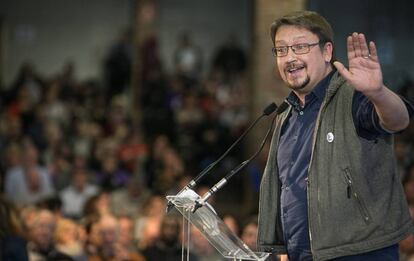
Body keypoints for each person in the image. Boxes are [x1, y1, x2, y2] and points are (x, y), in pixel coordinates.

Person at [257, 10, 414, 261]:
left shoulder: (354, 95)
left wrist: (378, 92)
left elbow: (398, 121)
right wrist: (284, 249)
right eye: (281, 50)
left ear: (327, 52)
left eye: (300, 47)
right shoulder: (285, 115)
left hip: (359, 251)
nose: (290, 58)